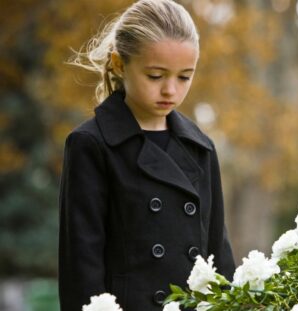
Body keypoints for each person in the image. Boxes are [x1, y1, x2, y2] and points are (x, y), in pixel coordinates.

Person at [58, 0, 235, 310]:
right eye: (155, 76)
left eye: (184, 77)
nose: (171, 91)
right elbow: (81, 267)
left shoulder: (200, 147)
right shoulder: (91, 144)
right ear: (119, 64)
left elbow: (219, 254)